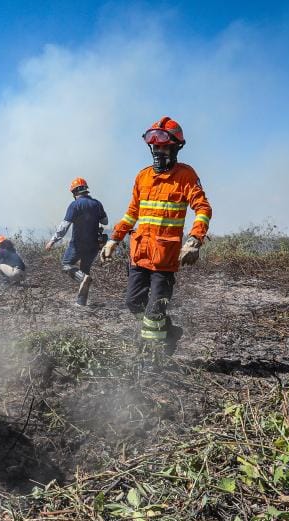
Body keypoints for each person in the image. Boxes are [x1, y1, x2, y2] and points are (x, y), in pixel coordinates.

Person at [100, 116, 211, 354]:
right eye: (156, 147)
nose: (159, 151)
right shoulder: (142, 177)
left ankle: (155, 359)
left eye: (164, 146)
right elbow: (131, 214)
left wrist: (194, 240)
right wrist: (113, 239)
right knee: (133, 303)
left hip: (164, 259)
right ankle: (169, 331)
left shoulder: (186, 176)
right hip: (139, 255)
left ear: (175, 147)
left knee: (154, 311)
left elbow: (202, 209)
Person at [46, 177, 108, 306]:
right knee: (85, 270)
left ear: (74, 192)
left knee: (66, 265)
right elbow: (105, 221)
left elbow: (64, 226)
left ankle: (82, 278)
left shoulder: (75, 205)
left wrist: (53, 240)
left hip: (77, 245)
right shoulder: (97, 203)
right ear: (86, 190)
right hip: (94, 245)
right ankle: (81, 302)